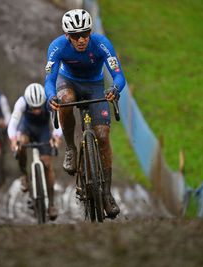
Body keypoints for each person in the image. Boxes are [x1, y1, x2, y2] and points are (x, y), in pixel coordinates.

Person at [45, 9, 126, 218]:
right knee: (65, 100)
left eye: (85, 34)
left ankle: (107, 195)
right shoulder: (57, 47)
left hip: (95, 85)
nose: (81, 40)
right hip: (68, 82)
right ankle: (71, 149)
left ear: (90, 32)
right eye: (75, 36)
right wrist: (51, 96)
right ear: (67, 36)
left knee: (103, 136)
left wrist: (114, 90)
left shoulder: (101, 43)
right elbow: (49, 81)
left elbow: (118, 76)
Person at [7, 83, 62, 221]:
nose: (37, 111)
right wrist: (13, 140)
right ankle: (24, 175)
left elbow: (57, 123)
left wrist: (56, 137)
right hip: (26, 129)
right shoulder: (21, 102)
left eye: (39, 107)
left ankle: (51, 204)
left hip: (43, 131)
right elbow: (12, 124)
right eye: (33, 108)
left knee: (48, 165)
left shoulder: (49, 102)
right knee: (21, 145)